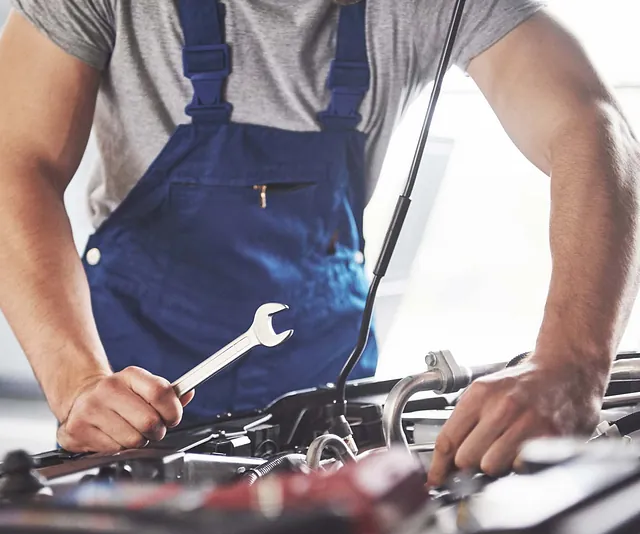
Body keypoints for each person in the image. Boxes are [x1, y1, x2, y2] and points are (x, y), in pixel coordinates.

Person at [0, 0, 637, 485]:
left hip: (325, 403)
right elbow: (14, 162)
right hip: (127, 398)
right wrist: (79, 381)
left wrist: (572, 363)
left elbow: (592, 125)